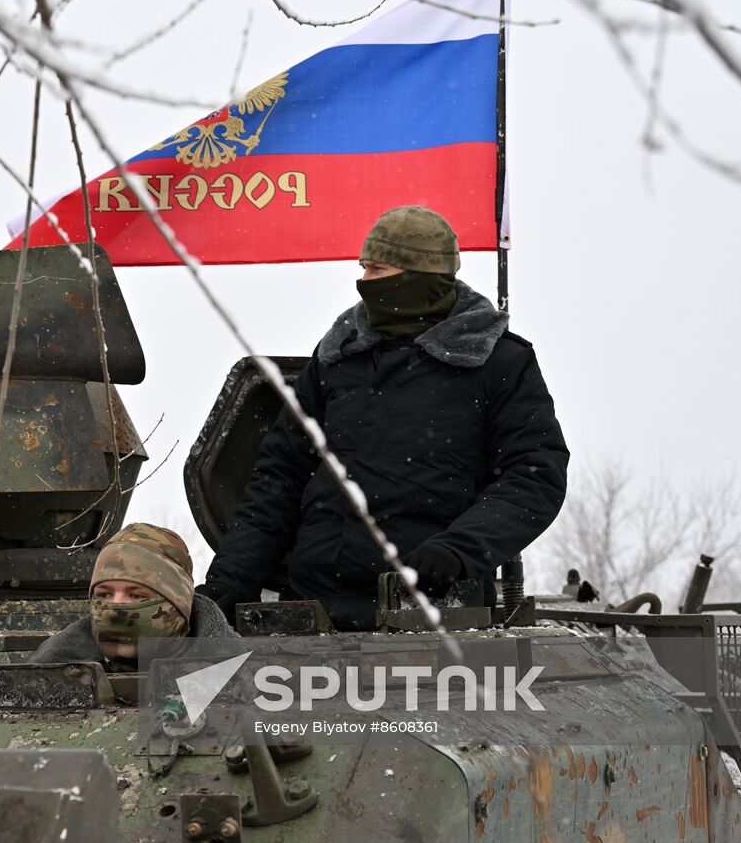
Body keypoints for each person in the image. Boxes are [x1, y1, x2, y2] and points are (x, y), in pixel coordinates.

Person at [198, 205, 569, 631]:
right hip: (312, 612)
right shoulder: (338, 357)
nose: (363, 284)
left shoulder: (496, 361)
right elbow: (278, 480)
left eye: (376, 269)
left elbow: (534, 476)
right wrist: (231, 580)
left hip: (436, 616)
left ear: (419, 276)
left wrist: (460, 550)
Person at [30, 522, 238, 669]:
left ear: (178, 604)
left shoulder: (246, 679)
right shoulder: (46, 678)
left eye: (137, 596)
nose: (116, 607)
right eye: (104, 594)